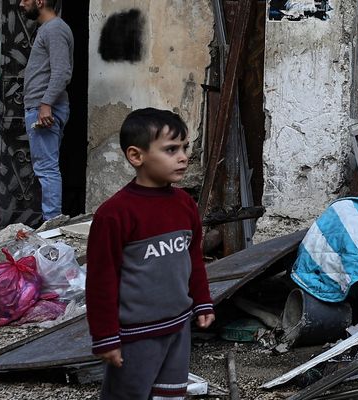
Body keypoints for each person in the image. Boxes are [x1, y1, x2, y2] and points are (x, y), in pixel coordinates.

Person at [86, 109, 215, 399]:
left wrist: (202, 303)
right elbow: (100, 280)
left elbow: (193, 259)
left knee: (171, 395)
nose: (183, 157)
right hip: (135, 335)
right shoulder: (115, 214)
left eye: (184, 148)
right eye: (171, 149)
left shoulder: (184, 205)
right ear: (136, 156)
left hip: (178, 328)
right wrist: (106, 337)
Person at [20, 0, 73, 222]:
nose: (22, 4)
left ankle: (52, 224)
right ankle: (52, 223)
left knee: (47, 168)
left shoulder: (54, 28)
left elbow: (62, 72)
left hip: (45, 107)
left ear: (40, 1)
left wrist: (45, 104)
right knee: (46, 167)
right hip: (44, 105)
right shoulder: (51, 29)